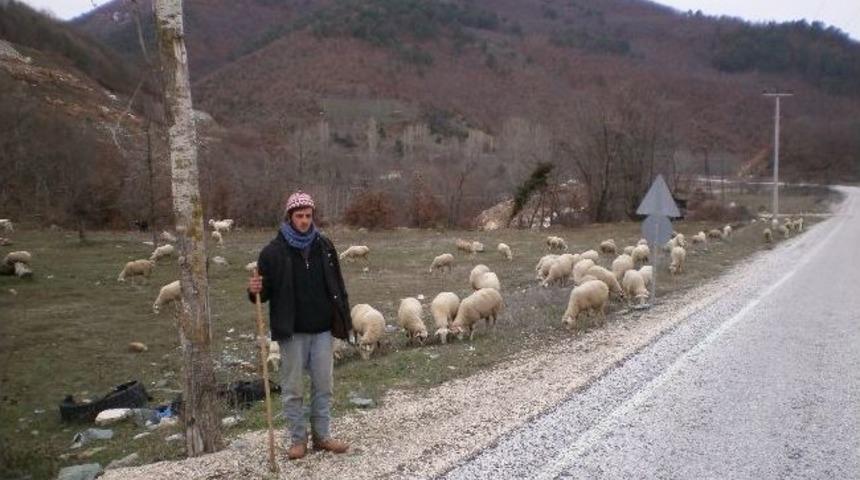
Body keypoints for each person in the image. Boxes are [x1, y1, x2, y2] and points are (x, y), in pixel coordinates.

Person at [247, 191, 350, 460]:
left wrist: (342, 318)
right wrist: (254, 289)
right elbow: (263, 293)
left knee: (323, 385)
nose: (305, 221)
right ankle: (297, 440)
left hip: (323, 330)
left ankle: (322, 436)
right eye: (299, 216)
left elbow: (337, 285)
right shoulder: (272, 253)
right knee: (293, 388)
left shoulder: (325, 247)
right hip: (291, 331)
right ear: (289, 217)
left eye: (308, 215)